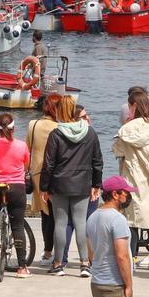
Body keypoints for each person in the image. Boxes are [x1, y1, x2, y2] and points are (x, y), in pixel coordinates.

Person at [42, 95, 103, 277]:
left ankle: (59, 264)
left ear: (61, 112)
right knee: (81, 223)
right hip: (82, 183)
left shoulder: (56, 134)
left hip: (59, 184)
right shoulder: (90, 132)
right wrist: (96, 184)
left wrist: (44, 187)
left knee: (60, 224)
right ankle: (85, 264)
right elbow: (97, 161)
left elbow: (49, 164)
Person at [112, 90, 149, 272]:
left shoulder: (126, 129)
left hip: (132, 178)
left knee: (132, 220)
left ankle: (132, 258)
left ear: (133, 106)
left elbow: (117, 150)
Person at [0, 113, 31, 278]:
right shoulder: (22, 145)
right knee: (17, 226)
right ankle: (22, 267)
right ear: (14, 128)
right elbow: (26, 164)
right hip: (16, 187)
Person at [86, 176, 136, 297]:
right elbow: (122, 256)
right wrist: (129, 286)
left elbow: (91, 254)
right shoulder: (118, 219)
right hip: (114, 285)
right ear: (115, 194)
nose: (128, 196)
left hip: (96, 284)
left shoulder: (92, 217)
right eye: (126, 192)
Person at [28, 94, 63, 264]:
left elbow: (28, 149)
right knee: (58, 213)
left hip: (37, 173)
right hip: (57, 173)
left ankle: (47, 251)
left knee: (45, 214)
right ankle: (57, 252)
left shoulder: (33, 125)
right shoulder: (60, 127)